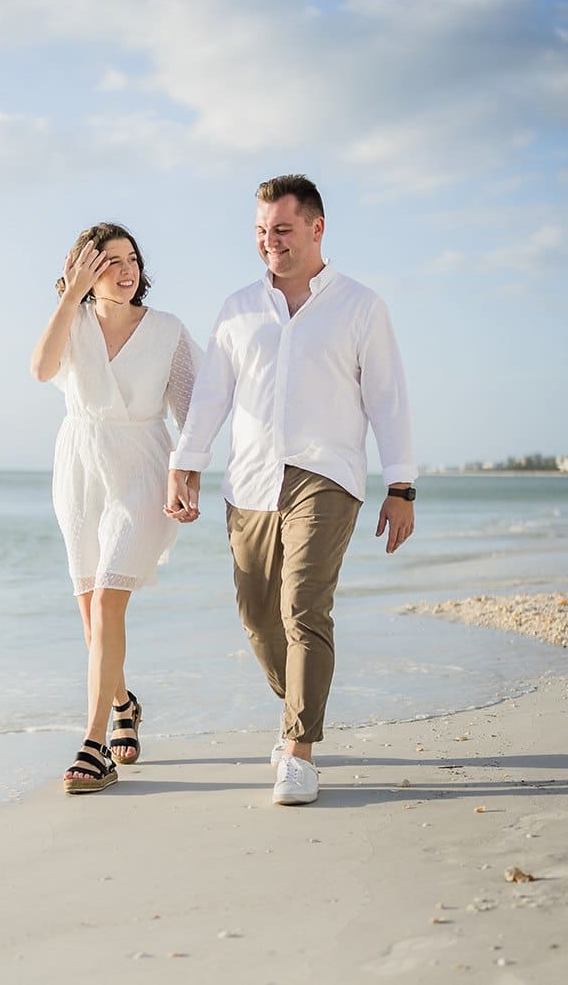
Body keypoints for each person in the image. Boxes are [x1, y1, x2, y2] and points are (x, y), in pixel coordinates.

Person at [165, 175, 416, 806]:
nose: (269, 241)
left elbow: (388, 400)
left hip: (327, 476)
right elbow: (212, 395)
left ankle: (300, 753)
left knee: (303, 606)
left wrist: (402, 486)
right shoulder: (238, 308)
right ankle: (297, 707)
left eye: (281, 229)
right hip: (250, 480)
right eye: (260, 231)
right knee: (258, 616)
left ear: (316, 228)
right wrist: (186, 462)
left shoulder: (361, 306)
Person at [30, 223, 201, 794]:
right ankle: (124, 703)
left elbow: (194, 412)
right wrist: (68, 298)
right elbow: (41, 369)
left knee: (107, 602)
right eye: (110, 262)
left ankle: (93, 744)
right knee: (90, 615)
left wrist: (188, 477)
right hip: (80, 469)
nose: (127, 271)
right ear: (84, 270)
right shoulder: (72, 322)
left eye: (132, 259)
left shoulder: (167, 330)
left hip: (143, 468)